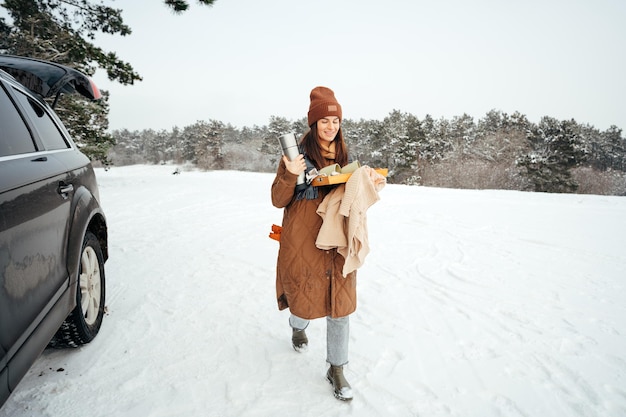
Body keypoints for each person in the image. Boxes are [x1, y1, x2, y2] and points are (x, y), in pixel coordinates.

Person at [271, 86, 356, 401]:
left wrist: (367, 182)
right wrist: (290, 176)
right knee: (304, 299)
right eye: (325, 121)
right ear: (314, 123)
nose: (331, 126)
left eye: (335, 121)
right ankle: (297, 324)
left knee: (340, 304)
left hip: (337, 239)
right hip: (305, 240)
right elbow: (277, 199)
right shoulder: (297, 156)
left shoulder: (344, 154)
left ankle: (336, 368)